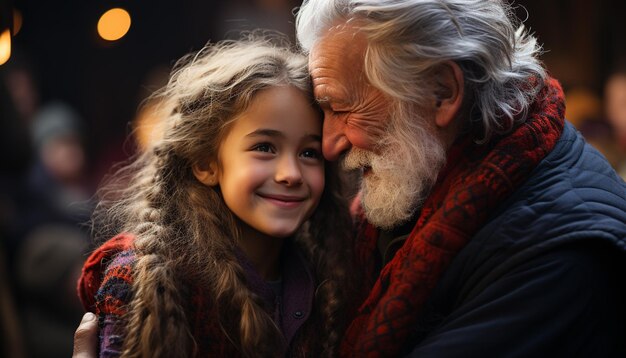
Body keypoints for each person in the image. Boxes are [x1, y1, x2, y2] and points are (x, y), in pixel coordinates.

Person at [75, 0, 626, 356]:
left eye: (342, 109)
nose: (332, 144)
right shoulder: (430, 175)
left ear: (442, 92)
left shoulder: (560, 252)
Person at [76, 35, 353, 357]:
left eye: (309, 152)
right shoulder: (147, 279)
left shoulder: (330, 277)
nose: (291, 173)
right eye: (264, 147)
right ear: (205, 163)